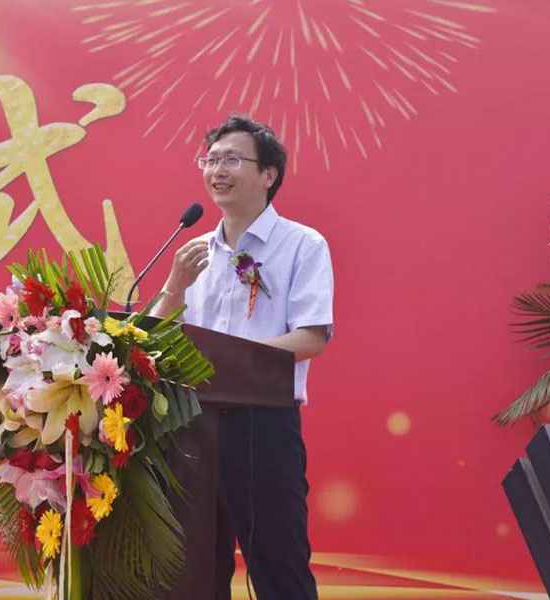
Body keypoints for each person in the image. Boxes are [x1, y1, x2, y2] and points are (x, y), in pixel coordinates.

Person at [152, 114, 333, 600]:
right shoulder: (195, 253)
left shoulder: (302, 245)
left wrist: (224, 360)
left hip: (262, 426)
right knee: (195, 574)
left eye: (231, 159)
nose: (217, 170)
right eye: (210, 160)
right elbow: (150, 339)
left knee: (279, 568)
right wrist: (174, 288)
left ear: (268, 174)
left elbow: (311, 337)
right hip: (193, 427)